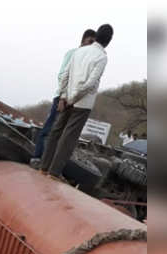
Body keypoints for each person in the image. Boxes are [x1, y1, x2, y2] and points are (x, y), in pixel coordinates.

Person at [40, 24, 113, 180]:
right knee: (68, 138)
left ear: (97, 35)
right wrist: (72, 98)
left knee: (56, 131)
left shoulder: (79, 51)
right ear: (108, 41)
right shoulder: (102, 57)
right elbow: (90, 84)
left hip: (66, 98)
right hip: (82, 103)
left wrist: (63, 97)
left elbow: (64, 76)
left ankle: (43, 168)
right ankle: (53, 173)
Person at [31, 29, 96, 165]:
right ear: (83, 40)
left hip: (74, 101)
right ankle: (37, 158)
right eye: (90, 42)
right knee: (49, 129)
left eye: (93, 43)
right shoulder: (72, 54)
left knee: (62, 134)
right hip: (62, 98)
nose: (91, 45)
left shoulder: (88, 59)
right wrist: (62, 97)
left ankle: (48, 163)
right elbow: (62, 75)